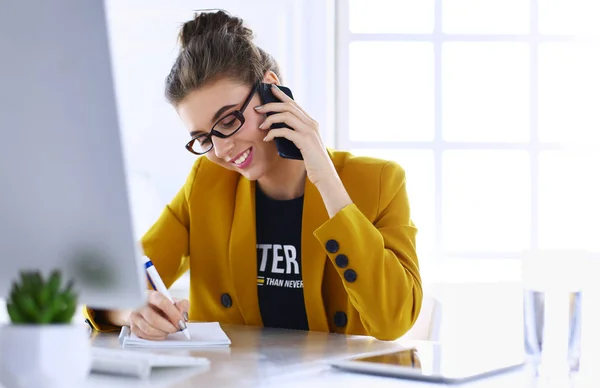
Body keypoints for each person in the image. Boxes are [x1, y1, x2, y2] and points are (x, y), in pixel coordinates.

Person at [84, 10, 422, 341]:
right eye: (203, 138)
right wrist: (132, 312)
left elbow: (393, 319)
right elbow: (113, 284)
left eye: (229, 121)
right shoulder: (207, 183)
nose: (221, 149)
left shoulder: (379, 182)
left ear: (270, 89)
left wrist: (327, 180)